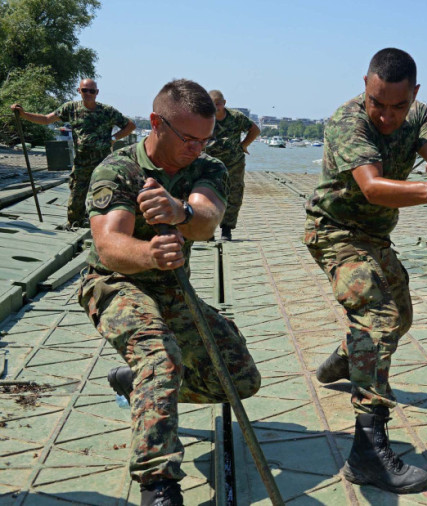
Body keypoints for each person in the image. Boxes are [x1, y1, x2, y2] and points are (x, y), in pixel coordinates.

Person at [78, 79, 261, 506]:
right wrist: (150, 253)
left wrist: (181, 210)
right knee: (160, 356)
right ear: (156, 123)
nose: (196, 148)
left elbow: (207, 220)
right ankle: (158, 483)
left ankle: (138, 384)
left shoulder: (208, 166)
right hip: (114, 282)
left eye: (204, 139)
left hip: (171, 287)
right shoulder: (118, 170)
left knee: (239, 379)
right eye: (188, 139)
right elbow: (110, 246)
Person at [307, 48, 427, 493]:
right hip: (335, 231)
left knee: (400, 318)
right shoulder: (348, 122)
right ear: (365, 85)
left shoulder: (418, 116)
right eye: (377, 103)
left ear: (415, 95)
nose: (386, 116)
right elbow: (372, 187)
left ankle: (348, 357)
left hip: (376, 237)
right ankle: (367, 452)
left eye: (397, 106)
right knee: (379, 319)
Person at [11, 78, 136, 228]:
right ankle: (75, 223)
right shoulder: (71, 108)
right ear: (79, 91)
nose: (88, 94)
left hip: (102, 162)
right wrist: (24, 114)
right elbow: (46, 119)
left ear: (97, 93)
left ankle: (102, 225)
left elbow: (130, 125)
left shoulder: (107, 111)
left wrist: (113, 139)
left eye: (92, 91)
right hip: (82, 161)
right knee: (77, 194)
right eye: (84, 90)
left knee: (104, 193)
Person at [204, 90, 260, 240]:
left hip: (234, 163)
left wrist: (244, 145)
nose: (216, 107)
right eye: (212, 104)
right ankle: (208, 229)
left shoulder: (236, 117)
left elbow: (255, 130)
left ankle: (227, 229)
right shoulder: (203, 117)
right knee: (208, 194)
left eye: (218, 104)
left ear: (224, 103)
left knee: (234, 194)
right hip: (210, 164)